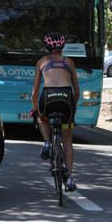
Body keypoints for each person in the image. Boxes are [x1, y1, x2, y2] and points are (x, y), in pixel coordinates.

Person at [31, 31, 80, 192]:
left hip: (48, 97)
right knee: (67, 141)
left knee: (41, 117)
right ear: (62, 46)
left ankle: (46, 142)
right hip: (66, 99)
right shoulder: (69, 62)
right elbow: (77, 90)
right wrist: (73, 107)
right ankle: (70, 178)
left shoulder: (42, 62)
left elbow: (35, 92)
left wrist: (35, 110)